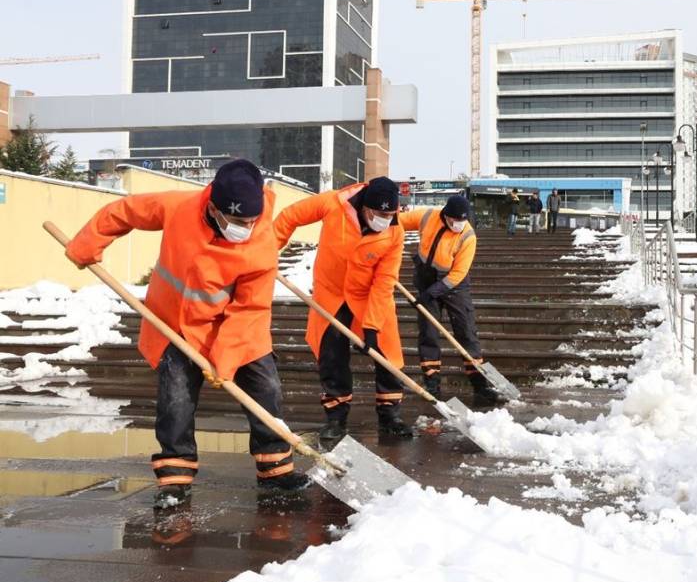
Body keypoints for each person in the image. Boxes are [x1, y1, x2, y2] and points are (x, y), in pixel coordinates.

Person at [64, 159, 310, 509]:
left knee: (265, 388)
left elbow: (250, 309)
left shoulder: (262, 241)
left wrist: (224, 360)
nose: (245, 228)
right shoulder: (179, 208)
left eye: (250, 221)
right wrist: (88, 243)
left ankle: (275, 467)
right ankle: (174, 478)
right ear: (213, 207)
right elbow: (124, 211)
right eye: (237, 221)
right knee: (175, 400)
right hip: (175, 323)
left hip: (239, 326)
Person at [273, 177, 412, 446]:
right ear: (365, 207)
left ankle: (390, 415)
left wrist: (371, 325)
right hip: (330, 293)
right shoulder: (332, 203)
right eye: (380, 214)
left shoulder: (394, 232)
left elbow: (385, 281)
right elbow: (290, 216)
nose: (386, 220)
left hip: (368, 295)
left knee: (387, 351)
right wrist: (267, 249)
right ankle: (336, 417)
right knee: (331, 355)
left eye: (390, 214)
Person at [399, 195, 502, 406]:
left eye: (463, 220)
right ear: (445, 216)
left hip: (455, 286)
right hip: (426, 279)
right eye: (455, 220)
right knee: (428, 333)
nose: (459, 224)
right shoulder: (427, 216)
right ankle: (432, 385)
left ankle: (480, 384)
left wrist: (433, 291)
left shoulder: (468, 236)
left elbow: (457, 274)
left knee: (466, 331)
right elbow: (398, 222)